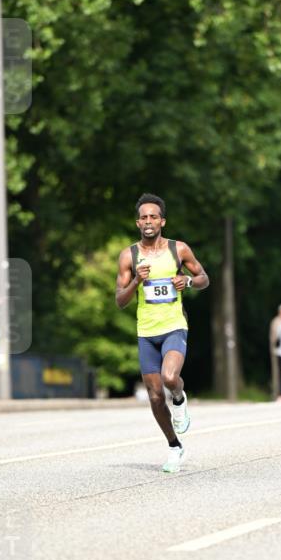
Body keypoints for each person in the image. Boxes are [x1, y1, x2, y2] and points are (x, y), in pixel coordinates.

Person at [115, 194, 209, 473]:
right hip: (146, 331)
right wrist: (136, 280)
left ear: (162, 221)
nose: (148, 221)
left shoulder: (178, 249)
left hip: (174, 326)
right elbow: (120, 300)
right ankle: (174, 446)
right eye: (143, 217)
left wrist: (187, 281)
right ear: (137, 223)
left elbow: (204, 278)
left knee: (169, 378)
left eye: (153, 217)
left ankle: (179, 399)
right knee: (155, 396)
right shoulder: (129, 256)